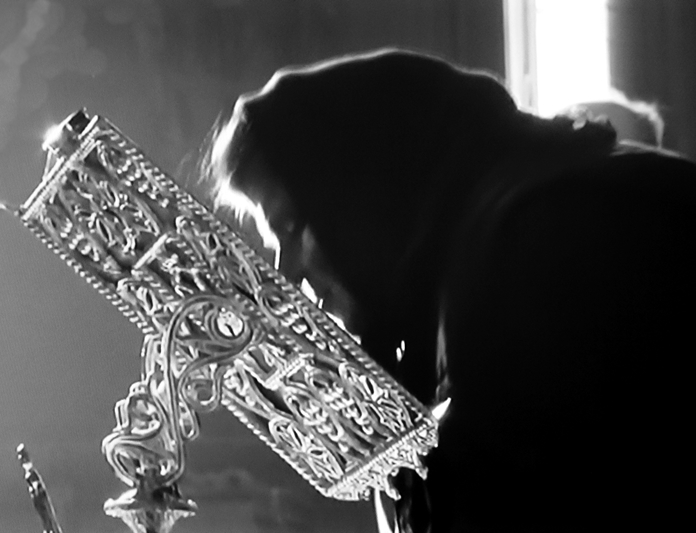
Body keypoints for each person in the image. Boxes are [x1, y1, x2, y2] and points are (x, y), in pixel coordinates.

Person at [203, 48, 696, 533]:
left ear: (360, 193)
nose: (286, 274)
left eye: (291, 227)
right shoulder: (501, 229)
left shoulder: (533, 246)